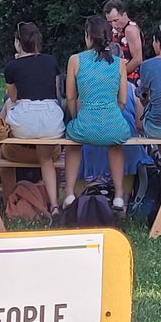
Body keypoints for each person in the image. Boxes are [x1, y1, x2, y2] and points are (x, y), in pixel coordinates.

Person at [63, 16, 131, 213]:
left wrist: (77, 118)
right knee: (115, 145)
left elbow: (70, 97)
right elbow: (123, 100)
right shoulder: (119, 63)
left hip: (85, 123)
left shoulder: (75, 60)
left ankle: (68, 192)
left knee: (73, 142)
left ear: (88, 36)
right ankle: (118, 195)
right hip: (113, 123)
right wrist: (112, 115)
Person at [0, 21, 64, 212]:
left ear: (18, 43)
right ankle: (54, 205)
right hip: (51, 121)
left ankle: (11, 202)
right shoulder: (51, 61)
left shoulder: (12, 66)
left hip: (24, 126)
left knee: (5, 151)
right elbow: (56, 92)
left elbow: (13, 97)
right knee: (46, 159)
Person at [103, 0, 143, 82]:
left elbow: (137, 59)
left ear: (124, 14)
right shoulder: (117, 30)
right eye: (110, 22)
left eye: (116, 20)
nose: (113, 25)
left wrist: (118, 75)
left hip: (131, 79)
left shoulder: (130, 30)